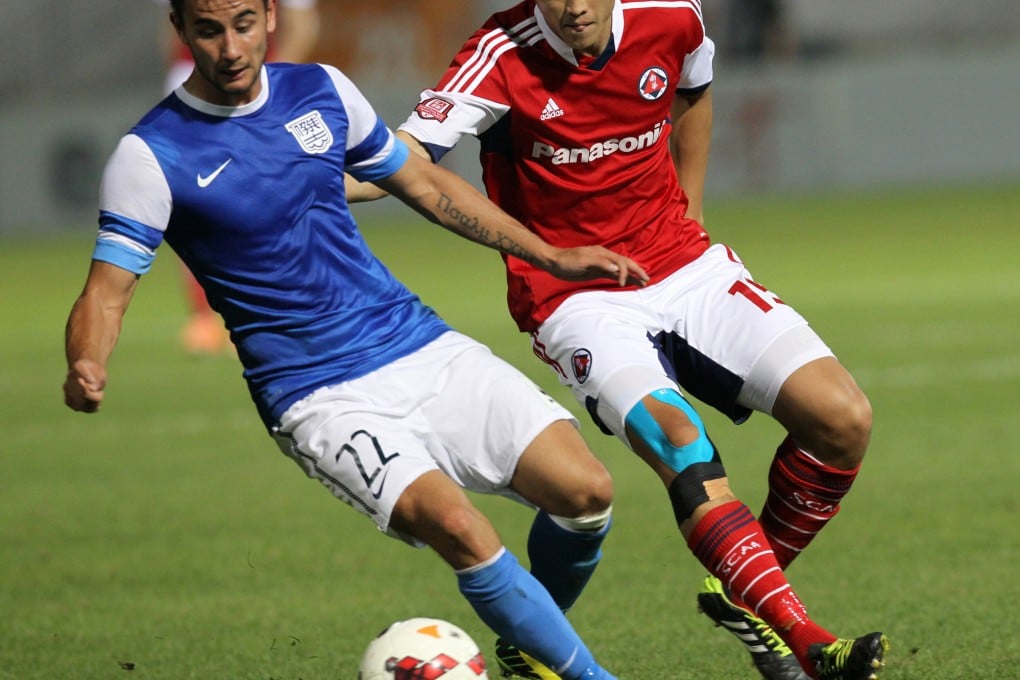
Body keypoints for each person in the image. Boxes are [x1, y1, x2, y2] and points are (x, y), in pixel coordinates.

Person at [61, 1, 651, 678]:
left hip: (414, 339)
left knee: (585, 491)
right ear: (181, 29)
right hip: (316, 393)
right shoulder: (151, 154)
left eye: (243, 23)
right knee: (459, 528)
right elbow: (106, 291)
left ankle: (530, 645)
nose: (229, 47)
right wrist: (86, 361)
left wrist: (548, 254)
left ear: (271, 15)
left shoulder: (323, 90)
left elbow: (422, 183)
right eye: (209, 30)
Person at [346, 1, 888, 679]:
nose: (573, 5)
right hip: (576, 299)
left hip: (685, 266)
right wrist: (295, 177)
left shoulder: (673, 16)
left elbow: (694, 93)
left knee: (842, 418)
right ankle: (806, 639)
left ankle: (747, 591)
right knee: (681, 445)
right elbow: (404, 161)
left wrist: (690, 215)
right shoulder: (499, 54)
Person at [154, 0, 321, 355]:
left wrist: (271, 82)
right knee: (195, 197)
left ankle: (276, 313)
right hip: (192, 80)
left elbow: (304, 24)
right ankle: (205, 314)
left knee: (272, 195)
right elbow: (172, 26)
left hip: (261, 81)